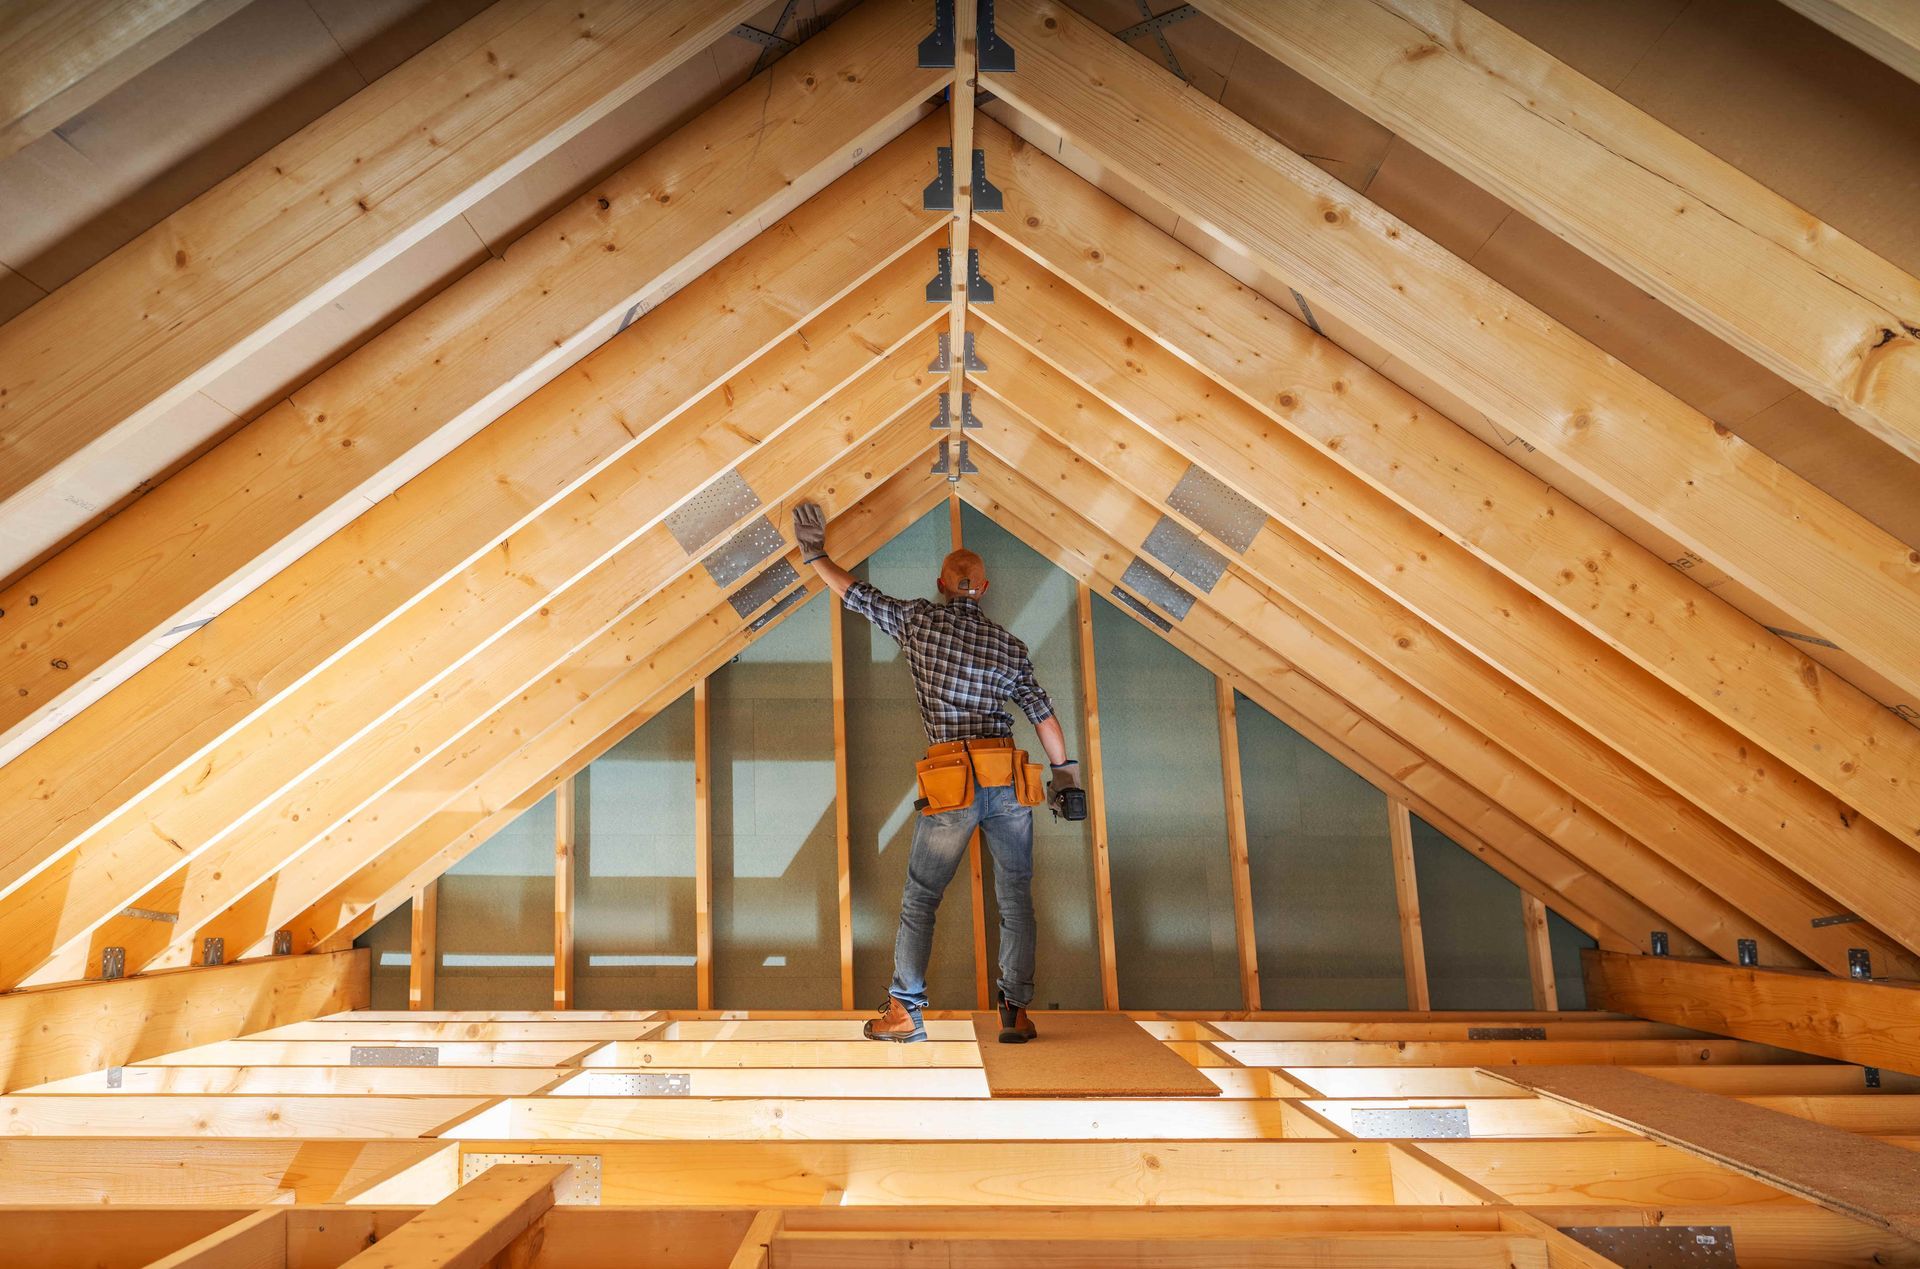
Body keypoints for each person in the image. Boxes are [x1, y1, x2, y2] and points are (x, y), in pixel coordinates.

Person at [793, 502, 1080, 1043]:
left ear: (941, 583)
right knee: (1016, 897)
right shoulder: (1009, 646)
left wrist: (816, 555)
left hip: (952, 784)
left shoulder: (920, 620)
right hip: (1006, 780)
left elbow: (856, 594)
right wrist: (1066, 779)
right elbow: (1043, 716)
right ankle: (1015, 1011)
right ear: (985, 587)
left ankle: (906, 1013)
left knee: (923, 898)